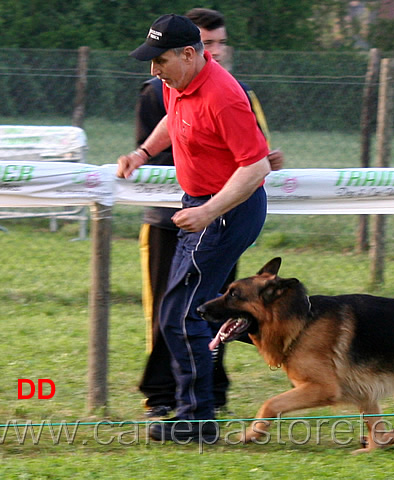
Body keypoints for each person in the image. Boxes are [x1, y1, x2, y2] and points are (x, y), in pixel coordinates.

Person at [117, 13, 271, 443]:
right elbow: (172, 117)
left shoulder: (225, 96)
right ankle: (195, 412)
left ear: (189, 53)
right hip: (202, 206)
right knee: (178, 313)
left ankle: (197, 420)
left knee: (185, 313)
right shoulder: (177, 82)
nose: (153, 69)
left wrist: (208, 212)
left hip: (225, 211)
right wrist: (142, 153)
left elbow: (255, 166)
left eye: (160, 59)